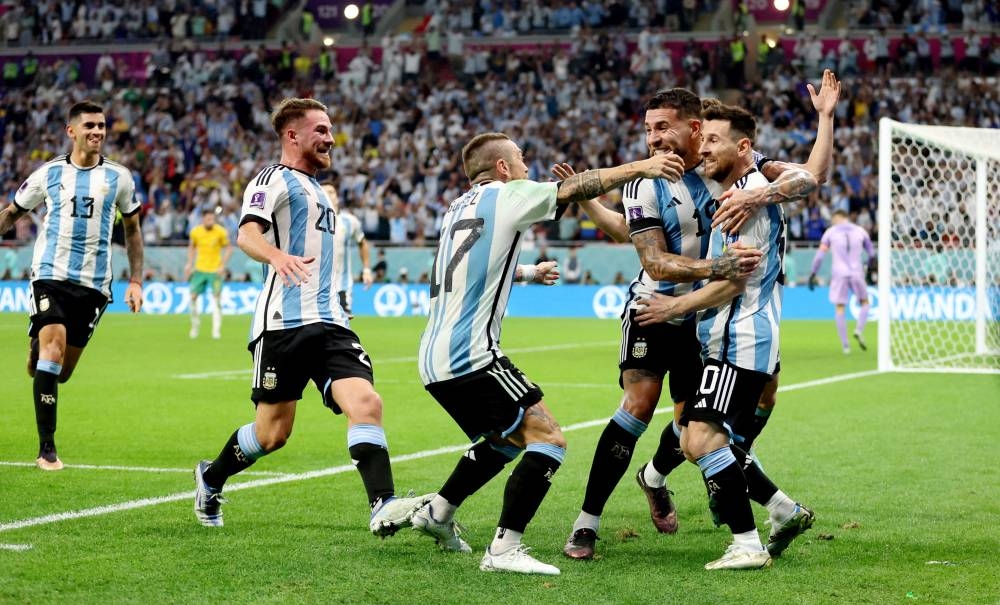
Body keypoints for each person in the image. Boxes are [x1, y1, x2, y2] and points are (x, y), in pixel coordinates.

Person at [559, 70, 838, 562]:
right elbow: (649, 256)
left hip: (707, 316)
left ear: (694, 129)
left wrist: (820, 125)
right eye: (648, 129)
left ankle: (661, 479)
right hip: (657, 308)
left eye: (663, 127)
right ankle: (587, 523)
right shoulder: (646, 182)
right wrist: (718, 268)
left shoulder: (719, 167)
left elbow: (806, 178)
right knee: (642, 405)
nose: (653, 138)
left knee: (699, 427)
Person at [410, 132, 681, 575]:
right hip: (471, 354)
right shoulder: (507, 193)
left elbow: (469, 268)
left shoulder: (458, 207)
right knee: (548, 440)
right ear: (501, 168)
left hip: (433, 356)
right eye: (520, 159)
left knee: (504, 440)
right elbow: (574, 188)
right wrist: (640, 167)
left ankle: (437, 513)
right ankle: (504, 549)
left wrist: (527, 273)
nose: (526, 166)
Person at [192, 98, 431, 535]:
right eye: (320, 130)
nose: (330, 138)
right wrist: (277, 256)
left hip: (332, 324)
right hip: (282, 324)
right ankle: (210, 478)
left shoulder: (322, 192)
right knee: (272, 435)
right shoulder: (272, 179)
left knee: (367, 403)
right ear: (292, 135)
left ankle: (383, 505)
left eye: (330, 129)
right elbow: (246, 234)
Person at [635, 103, 817, 570]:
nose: (704, 147)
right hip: (728, 338)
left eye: (713, 140)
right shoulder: (738, 189)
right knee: (694, 435)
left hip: (740, 336)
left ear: (742, 147)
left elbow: (733, 280)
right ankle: (782, 511)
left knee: (701, 439)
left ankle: (747, 544)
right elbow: (811, 173)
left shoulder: (748, 195)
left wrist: (673, 306)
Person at [0, 100, 144, 471]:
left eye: (102, 126)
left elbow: (132, 229)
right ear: (72, 131)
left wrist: (136, 279)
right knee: (53, 352)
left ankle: (38, 349)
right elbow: (13, 212)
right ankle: (46, 448)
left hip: (94, 285)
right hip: (50, 274)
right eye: (90, 126)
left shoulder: (120, 178)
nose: (98, 132)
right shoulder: (48, 174)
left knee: (61, 371)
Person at [809, 209, 873, 353]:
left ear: (839, 217)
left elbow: (819, 256)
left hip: (839, 273)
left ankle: (846, 346)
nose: (832, 221)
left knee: (840, 308)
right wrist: (869, 268)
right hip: (857, 272)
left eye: (833, 218)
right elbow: (871, 253)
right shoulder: (861, 231)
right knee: (865, 303)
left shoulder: (830, 232)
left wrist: (813, 274)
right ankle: (858, 329)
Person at [321, 181, 372, 318]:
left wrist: (366, 270)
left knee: (341, 328)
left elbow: (362, 243)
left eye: (331, 192)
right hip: (317, 288)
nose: (328, 195)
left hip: (342, 286)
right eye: (323, 192)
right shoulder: (311, 220)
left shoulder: (350, 221)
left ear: (337, 197)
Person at [184, 208, 232, 339]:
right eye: (208, 218)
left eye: (212, 218)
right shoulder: (196, 232)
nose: (210, 221)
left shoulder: (221, 232)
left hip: (215, 271)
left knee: (216, 300)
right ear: (203, 219)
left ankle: (216, 331)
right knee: (193, 297)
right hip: (199, 270)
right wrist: (189, 263)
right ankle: (195, 326)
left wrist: (222, 265)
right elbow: (192, 247)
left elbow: (229, 248)